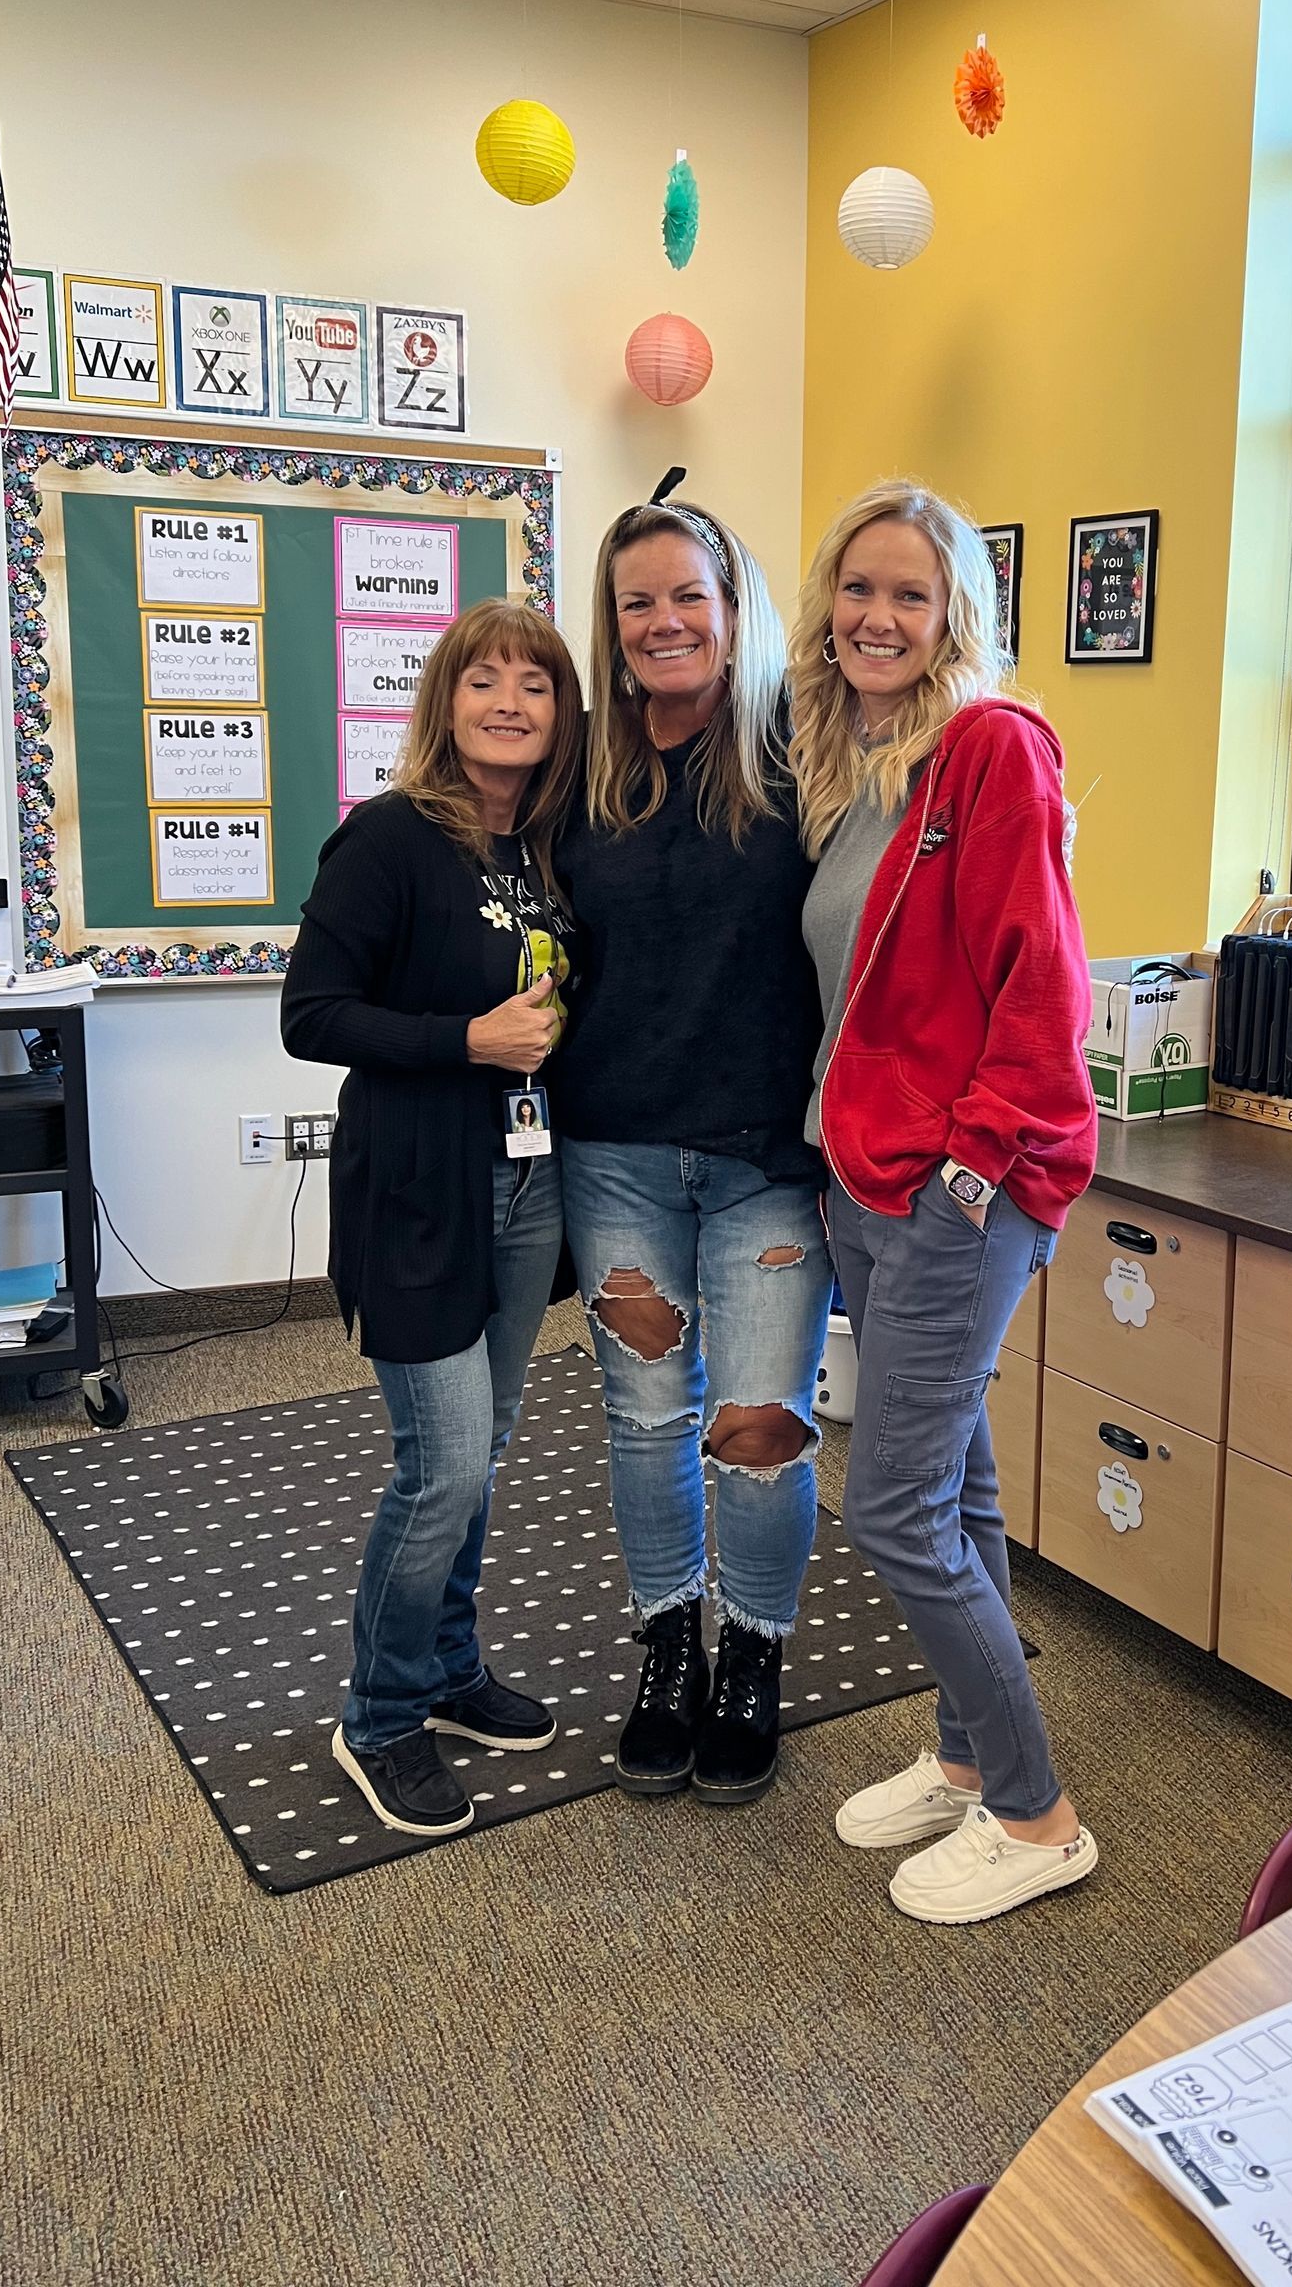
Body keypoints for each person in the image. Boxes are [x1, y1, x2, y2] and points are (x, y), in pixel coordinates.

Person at [789, 478, 1100, 1924]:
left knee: (897, 1509)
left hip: (960, 1187)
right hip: (870, 1173)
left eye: (911, 594)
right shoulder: (858, 766)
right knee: (960, 1492)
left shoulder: (991, 749)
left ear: (955, 614)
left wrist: (973, 1174)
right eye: (860, 589)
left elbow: (1043, 988)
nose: (879, 616)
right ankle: (972, 1764)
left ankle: (1037, 1817)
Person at [282, 599, 581, 1840]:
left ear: (563, 713)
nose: (510, 703)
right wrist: (465, 1039)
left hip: (525, 1186)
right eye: (484, 682)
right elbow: (312, 1014)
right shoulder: (389, 840)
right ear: (445, 703)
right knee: (443, 1460)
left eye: (535, 685)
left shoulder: (552, 851)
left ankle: (449, 1666)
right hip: (413, 1182)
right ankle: (382, 1714)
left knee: (487, 1449)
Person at [554, 494, 829, 1807]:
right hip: (614, 1149)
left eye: (685, 598)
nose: (663, 622)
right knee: (647, 1419)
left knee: (760, 1429)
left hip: (767, 1158)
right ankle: (670, 1646)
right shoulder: (584, 771)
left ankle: (756, 1654)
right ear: (611, 631)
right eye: (636, 604)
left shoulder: (801, 755)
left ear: (733, 612)